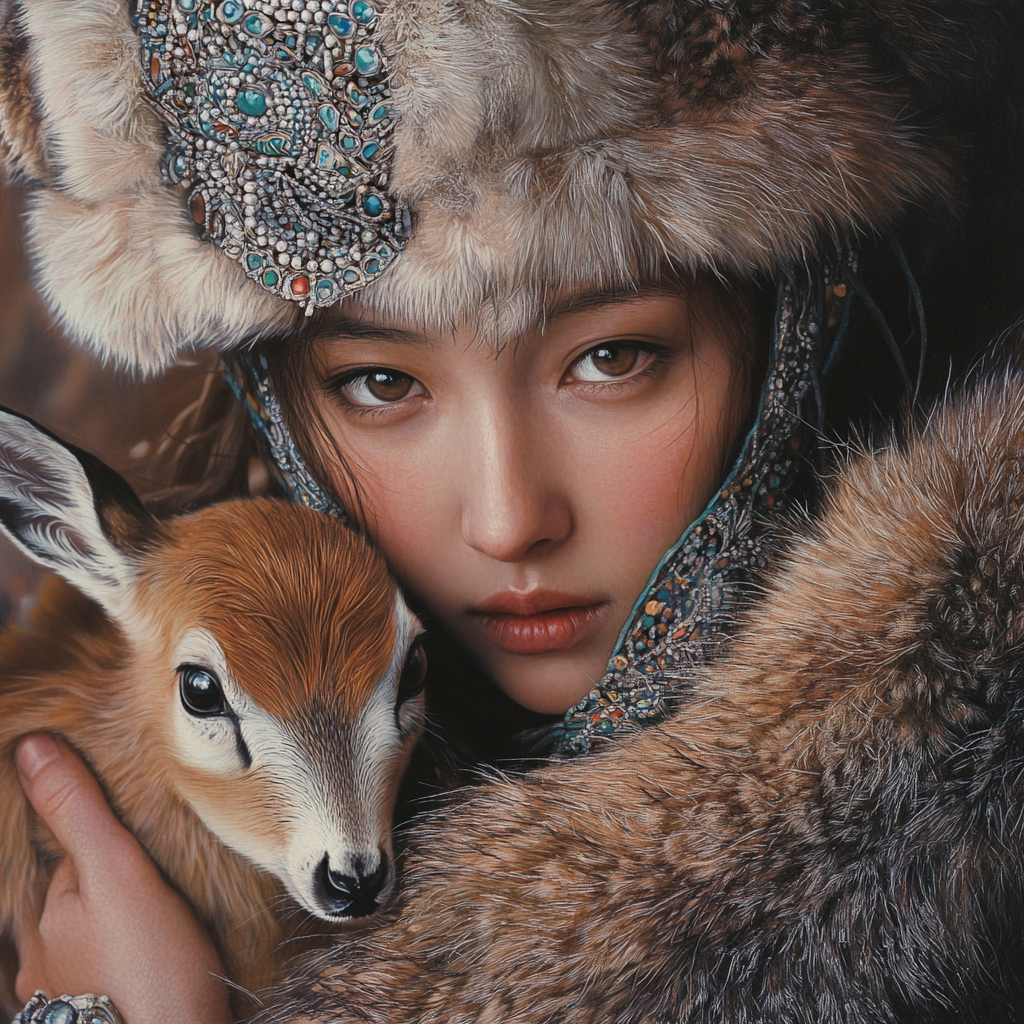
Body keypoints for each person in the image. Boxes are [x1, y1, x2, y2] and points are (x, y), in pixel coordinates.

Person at [0, 0, 1022, 1019]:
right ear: (273, 402)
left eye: (610, 359)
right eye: (380, 384)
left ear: (795, 319)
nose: (506, 518)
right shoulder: (107, 783)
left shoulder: (974, 849)